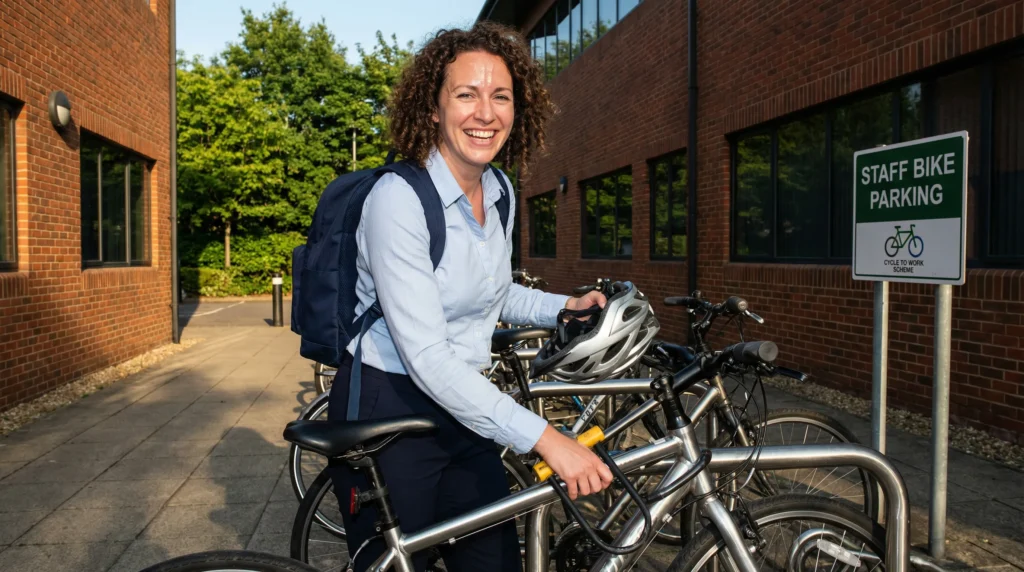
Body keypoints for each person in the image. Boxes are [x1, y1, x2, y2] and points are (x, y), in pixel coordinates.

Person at [326, 21, 614, 571]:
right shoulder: (398, 200)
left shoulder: (500, 191)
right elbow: (427, 356)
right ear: (433, 108)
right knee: (395, 563)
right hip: (392, 404)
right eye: (466, 94)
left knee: (493, 560)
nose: (485, 112)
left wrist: (563, 307)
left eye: (500, 96)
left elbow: (494, 291)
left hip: (464, 405)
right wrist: (547, 438)